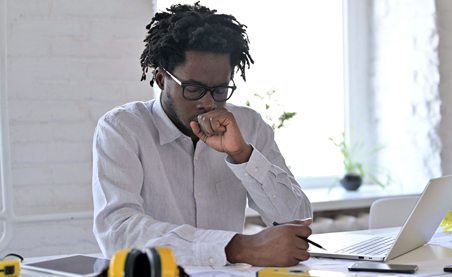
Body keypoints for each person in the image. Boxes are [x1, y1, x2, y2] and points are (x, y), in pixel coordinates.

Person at [92, 2, 313, 267]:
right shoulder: (122, 128)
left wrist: (243, 156)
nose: (208, 104)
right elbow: (118, 232)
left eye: (220, 90)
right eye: (194, 89)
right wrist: (236, 247)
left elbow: (297, 220)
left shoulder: (249, 125)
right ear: (162, 79)